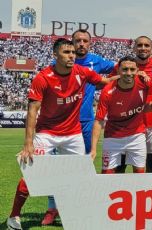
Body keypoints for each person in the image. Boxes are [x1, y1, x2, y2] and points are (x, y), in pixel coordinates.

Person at [7, 38, 118, 230]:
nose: (71, 56)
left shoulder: (82, 72)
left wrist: (125, 76)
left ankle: (77, 213)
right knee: (32, 174)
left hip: (73, 133)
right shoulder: (43, 77)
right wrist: (28, 143)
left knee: (79, 175)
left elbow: (104, 80)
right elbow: (32, 110)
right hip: (47, 133)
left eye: (73, 52)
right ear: (55, 55)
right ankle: (14, 216)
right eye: (66, 52)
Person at [41, 29, 116, 226]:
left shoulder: (97, 61)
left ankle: (81, 206)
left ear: (90, 44)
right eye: (77, 41)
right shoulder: (56, 66)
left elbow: (119, 69)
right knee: (55, 167)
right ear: (71, 44)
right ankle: (52, 208)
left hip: (85, 122)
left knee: (84, 166)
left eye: (85, 41)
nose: (81, 44)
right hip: (59, 124)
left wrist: (103, 86)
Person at [109, 36, 152, 173]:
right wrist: (131, 75)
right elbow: (108, 82)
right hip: (128, 123)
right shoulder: (124, 66)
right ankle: (121, 192)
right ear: (134, 47)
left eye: (146, 45)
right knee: (121, 165)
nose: (143, 48)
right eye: (140, 45)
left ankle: (147, 192)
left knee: (150, 163)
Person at [90, 56, 152, 174]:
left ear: (137, 70)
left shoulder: (144, 83)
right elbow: (99, 120)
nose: (128, 73)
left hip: (137, 136)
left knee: (140, 173)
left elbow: (147, 106)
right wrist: (94, 148)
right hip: (113, 137)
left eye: (132, 70)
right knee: (107, 174)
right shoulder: (108, 91)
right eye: (125, 69)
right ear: (118, 70)